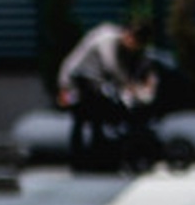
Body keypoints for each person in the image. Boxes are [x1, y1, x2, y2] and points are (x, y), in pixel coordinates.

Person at [56, 18, 157, 169]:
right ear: (128, 34)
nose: (132, 46)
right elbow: (112, 66)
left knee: (93, 116)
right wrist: (130, 86)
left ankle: (93, 159)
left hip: (88, 83)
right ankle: (80, 161)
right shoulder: (107, 38)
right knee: (85, 116)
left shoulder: (116, 40)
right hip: (72, 82)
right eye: (134, 42)